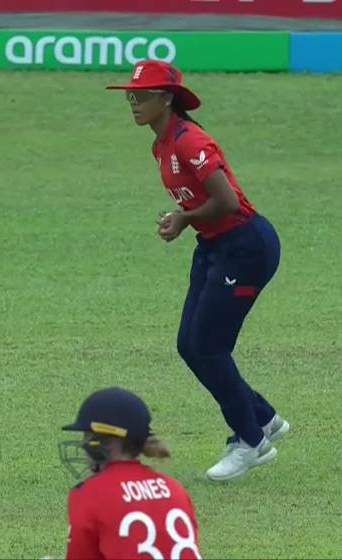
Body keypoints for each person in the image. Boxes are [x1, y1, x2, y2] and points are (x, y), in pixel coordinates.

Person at [106, 60, 289, 482]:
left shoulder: (189, 141)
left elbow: (226, 201)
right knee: (189, 345)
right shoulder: (161, 144)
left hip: (246, 247)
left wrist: (185, 218)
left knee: (209, 348)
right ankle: (263, 417)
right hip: (213, 246)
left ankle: (252, 442)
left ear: (167, 98)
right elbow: (200, 204)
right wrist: (183, 218)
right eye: (131, 96)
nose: (134, 103)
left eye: (143, 96)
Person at [60, 387, 202, 559]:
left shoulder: (90, 494)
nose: (83, 444)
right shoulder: (175, 489)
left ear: (103, 442)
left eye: (87, 436)